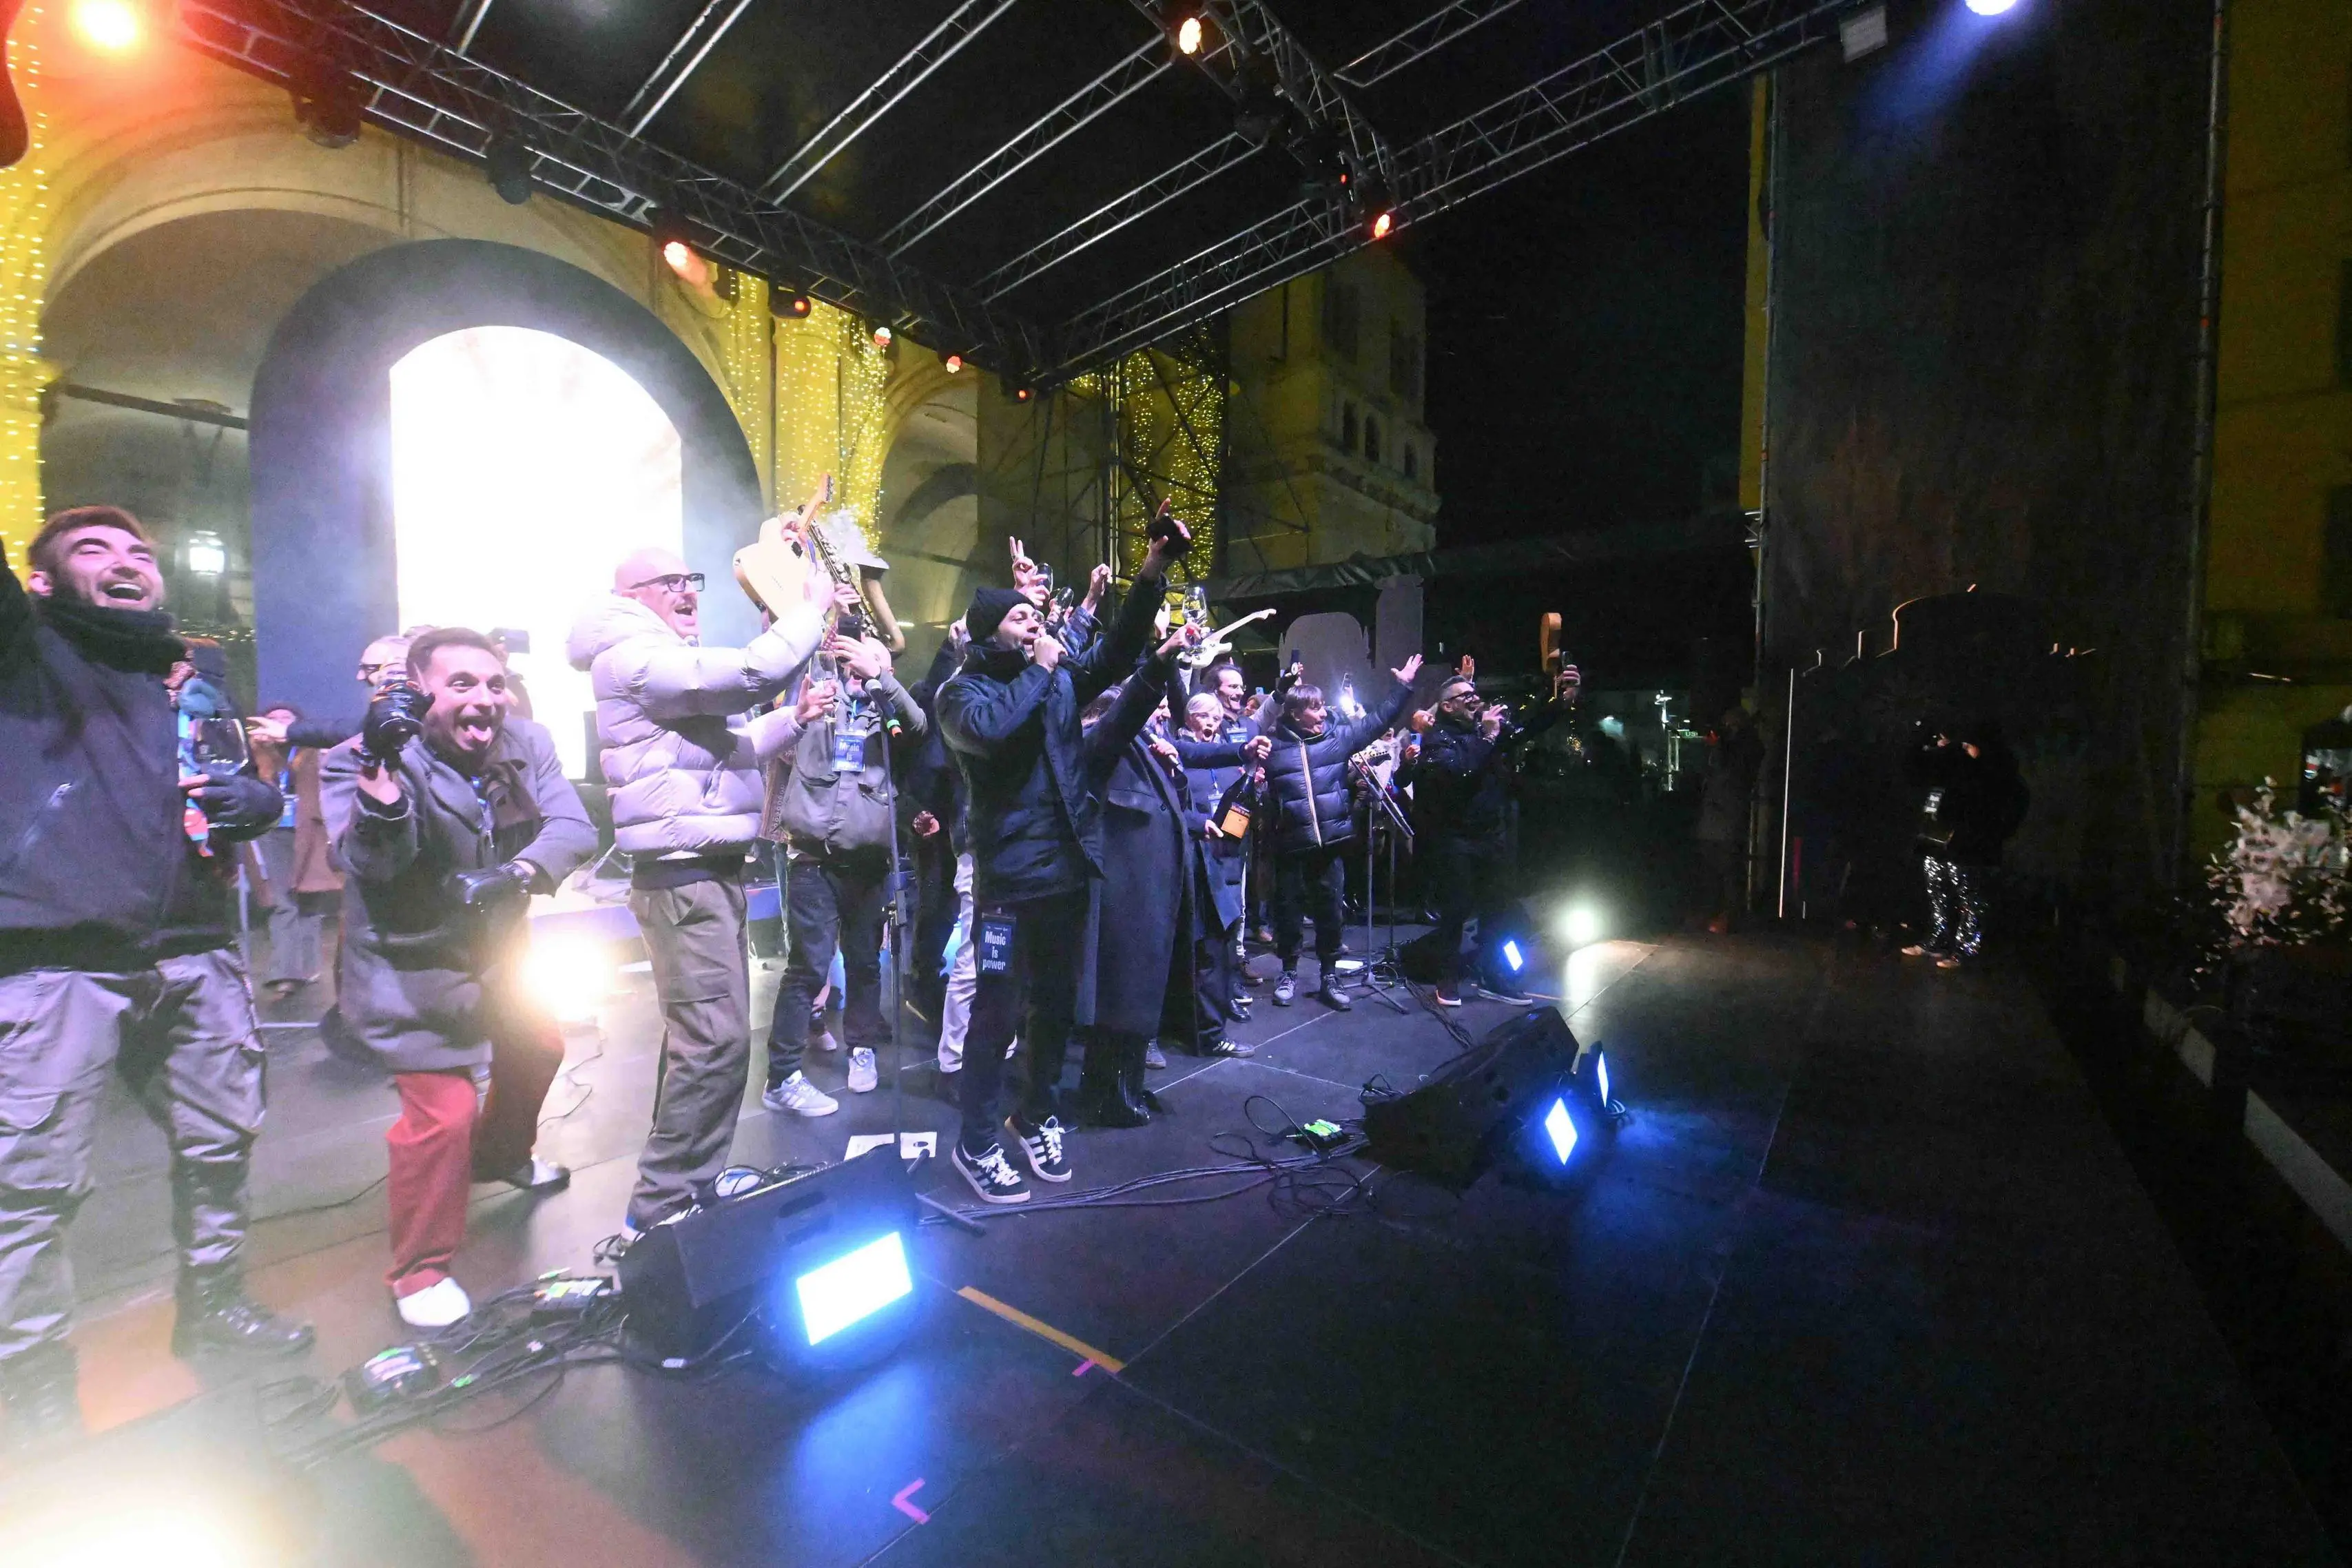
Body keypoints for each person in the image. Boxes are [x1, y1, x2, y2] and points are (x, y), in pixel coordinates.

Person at [0, 506, 313, 1452]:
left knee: (222, 1146)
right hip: (58, 959)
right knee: (31, 1185)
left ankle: (212, 1306)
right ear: (45, 583)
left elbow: (235, 788)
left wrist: (262, 798)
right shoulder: (26, 656)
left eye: (141, 550)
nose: (127, 562)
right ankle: (34, 1374)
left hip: (197, 948)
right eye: (93, 550)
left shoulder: (192, 679)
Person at [565, 497, 843, 1240]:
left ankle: (691, 1183)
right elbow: (754, 670)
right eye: (671, 582)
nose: (689, 591)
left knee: (704, 1040)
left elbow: (734, 749)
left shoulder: (650, 658)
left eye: (693, 579)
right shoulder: (634, 653)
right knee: (714, 1042)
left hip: (701, 871)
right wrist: (809, 608)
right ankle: (660, 1211)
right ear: (632, 598)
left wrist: (795, 717)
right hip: (685, 877)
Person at [322, 628, 597, 1328]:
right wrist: (380, 783)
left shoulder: (527, 743)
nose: (484, 699)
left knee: (540, 1047)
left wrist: (516, 872)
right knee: (440, 1117)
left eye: (493, 682)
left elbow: (571, 823)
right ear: (420, 691)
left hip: (500, 953)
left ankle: (500, 1154)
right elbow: (371, 863)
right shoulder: (358, 757)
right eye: (462, 684)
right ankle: (419, 1271)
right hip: (409, 969)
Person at [935, 521, 1187, 1204]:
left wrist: (1153, 571)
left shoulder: (1053, 681)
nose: (1035, 621)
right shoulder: (961, 695)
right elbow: (993, 735)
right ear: (989, 630)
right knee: (996, 1012)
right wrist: (1047, 666)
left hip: (1067, 874)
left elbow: (1114, 655)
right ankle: (976, 1141)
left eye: (1034, 616)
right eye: (1021, 616)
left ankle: (1036, 1113)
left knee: (1055, 1010)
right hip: (1008, 886)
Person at [759, 632, 929, 1113]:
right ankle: (783, 1076)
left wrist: (882, 679)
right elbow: (782, 717)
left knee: (864, 963)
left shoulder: (890, 714)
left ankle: (863, 1049)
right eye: (852, 654)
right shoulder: (817, 696)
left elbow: (917, 727)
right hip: (812, 858)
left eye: (871, 656)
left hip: (869, 862)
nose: (859, 662)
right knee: (808, 966)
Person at [1259, 657, 1421, 1011]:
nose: (1322, 713)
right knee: (1287, 913)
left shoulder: (1336, 739)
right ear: (1297, 712)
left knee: (1331, 912)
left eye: (1321, 707)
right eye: (1315, 708)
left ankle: (1329, 976)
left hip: (1329, 844)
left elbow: (1379, 720)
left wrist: (1403, 687)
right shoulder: (1273, 746)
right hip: (1290, 845)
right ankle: (1288, 971)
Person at [1399, 673, 1529, 1007]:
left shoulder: (1483, 729)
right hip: (1456, 840)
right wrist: (1487, 736)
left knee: (1499, 909)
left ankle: (1496, 976)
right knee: (1455, 912)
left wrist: (1561, 699)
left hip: (1491, 835)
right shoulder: (1437, 738)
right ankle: (1447, 978)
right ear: (1447, 706)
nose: (1475, 698)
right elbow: (1461, 772)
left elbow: (1528, 729)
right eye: (1465, 695)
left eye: (1475, 693)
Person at [1902, 721, 2028, 969]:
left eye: (1970, 744)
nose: (1966, 748)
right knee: (1937, 888)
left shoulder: (1998, 770)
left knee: (1969, 894)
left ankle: (1965, 948)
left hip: (1971, 841)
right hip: (1941, 836)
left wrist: (1995, 832)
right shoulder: (1957, 763)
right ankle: (1938, 940)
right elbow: (1920, 771)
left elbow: (2010, 802)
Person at [1177, 691, 1263, 1027]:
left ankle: (1228, 991)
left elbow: (1241, 803)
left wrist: (1254, 786)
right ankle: (1205, 1000)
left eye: (1216, 717)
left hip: (1229, 851)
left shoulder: (1229, 760)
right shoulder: (1182, 754)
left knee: (1232, 921)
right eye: (1203, 716)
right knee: (1207, 932)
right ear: (1189, 719)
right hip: (1197, 852)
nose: (1211, 722)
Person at [249, 702, 343, 1000]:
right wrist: (261, 755)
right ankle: (286, 972)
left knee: (309, 901)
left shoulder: (312, 752)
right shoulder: (255, 755)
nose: (277, 723)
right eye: (272, 718)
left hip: (310, 832)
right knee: (282, 901)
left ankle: (308, 966)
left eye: (285, 719)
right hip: (272, 832)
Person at [1693, 705, 1762, 933]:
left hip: (1727, 814)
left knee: (1729, 867)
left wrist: (1719, 747)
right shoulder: (1732, 746)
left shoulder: (1744, 747)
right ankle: (1712, 911)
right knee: (1712, 867)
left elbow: (1732, 773)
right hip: (1716, 814)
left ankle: (1730, 916)